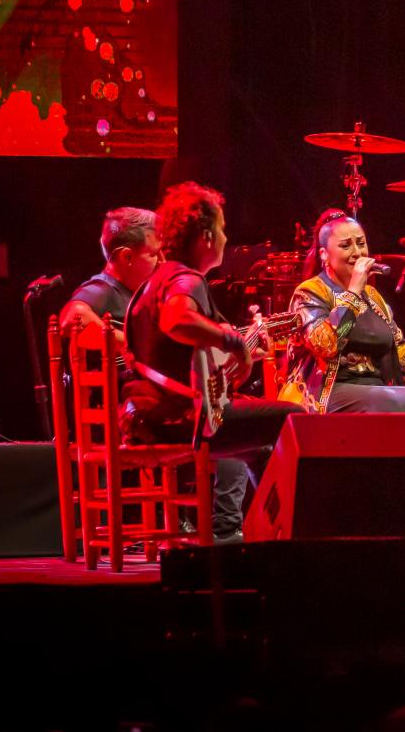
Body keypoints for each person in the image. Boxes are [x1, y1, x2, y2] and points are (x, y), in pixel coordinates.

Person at [123, 181, 302, 542]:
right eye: (221, 230)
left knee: (261, 446)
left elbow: (180, 361)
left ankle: (275, 534)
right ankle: (293, 536)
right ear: (205, 236)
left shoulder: (153, 281)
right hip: (185, 422)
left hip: (159, 418)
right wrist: (234, 341)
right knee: (296, 419)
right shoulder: (185, 280)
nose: (224, 238)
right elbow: (177, 320)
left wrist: (232, 361)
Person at [284, 208, 405, 535]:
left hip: (376, 388)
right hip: (330, 390)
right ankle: (401, 524)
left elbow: (398, 358)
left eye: (361, 243)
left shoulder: (375, 298)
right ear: (324, 254)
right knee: (403, 404)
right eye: (346, 245)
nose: (357, 253)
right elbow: (324, 345)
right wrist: (351, 293)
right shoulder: (311, 292)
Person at [57, 206, 161, 346]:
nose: (162, 261)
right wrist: (133, 346)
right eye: (155, 254)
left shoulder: (140, 291)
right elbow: (71, 320)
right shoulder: (103, 289)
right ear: (127, 257)